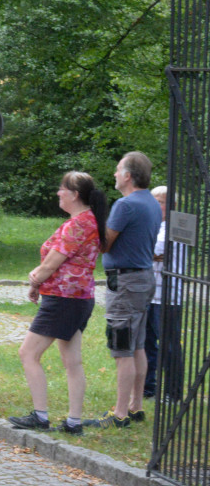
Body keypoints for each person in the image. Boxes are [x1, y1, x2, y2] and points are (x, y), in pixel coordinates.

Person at [9, 172, 108, 435]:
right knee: (72, 361)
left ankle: (40, 416)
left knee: (28, 354)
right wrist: (39, 281)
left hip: (63, 300)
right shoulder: (89, 220)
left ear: (74, 194)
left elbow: (51, 263)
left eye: (62, 189)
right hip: (79, 299)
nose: (58, 193)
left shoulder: (78, 224)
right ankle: (73, 423)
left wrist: (34, 280)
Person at [85, 151, 161, 429]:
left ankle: (119, 414)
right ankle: (135, 406)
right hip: (143, 278)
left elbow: (104, 245)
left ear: (128, 176)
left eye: (118, 170)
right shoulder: (151, 201)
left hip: (125, 283)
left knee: (122, 348)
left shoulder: (125, 205)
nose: (115, 174)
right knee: (137, 344)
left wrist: (94, 216)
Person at [143, 186, 184, 401]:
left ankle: (173, 392)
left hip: (168, 296)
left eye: (160, 202)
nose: (155, 206)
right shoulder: (153, 225)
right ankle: (148, 387)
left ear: (172, 206)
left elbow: (151, 250)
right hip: (149, 294)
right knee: (147, 343)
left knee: (169, 345)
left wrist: (145, 252)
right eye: (154, 201)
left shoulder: (177, 226)